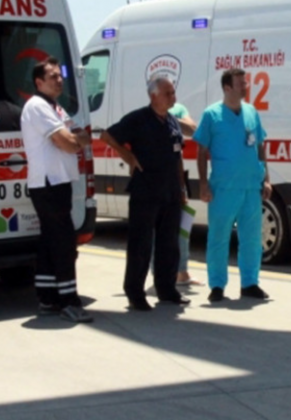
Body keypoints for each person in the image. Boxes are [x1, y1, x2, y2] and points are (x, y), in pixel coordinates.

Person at [101, 76, 190, 311]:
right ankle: (135, 293)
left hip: (170, 192)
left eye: (173, 92)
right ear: (153, 96)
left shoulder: (172, 121)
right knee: (141, 245)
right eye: (168, 93)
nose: (173, 97)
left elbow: (178, 156)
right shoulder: (138, 119)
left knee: (169, 244)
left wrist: (182, 188)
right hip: (146, 191)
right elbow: (107, 136)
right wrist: (128, 155)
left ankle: (167, 289)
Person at [20, 56, 93, 323]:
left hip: (58, 182)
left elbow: (81, 135)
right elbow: (70, 143)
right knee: (63, 243)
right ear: (39, 82)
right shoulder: (38, 106)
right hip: (48, 183)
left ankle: (48, 297)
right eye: (53, 77)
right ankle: (68, 301)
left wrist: (76, 138)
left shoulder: (55, 107)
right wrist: (75, 139)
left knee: (51, 240)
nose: (60, 80)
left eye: (60, 76)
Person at [193, 68, 272, 303]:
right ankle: (217, 285)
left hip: (250, 187)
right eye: (241, 84)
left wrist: (266, 179)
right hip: (223, 188)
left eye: (245, 83)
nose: (246, 87)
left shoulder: (251, 112)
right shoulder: (212, 115)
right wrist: (203, 184)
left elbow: (260, 147)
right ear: (227, 87)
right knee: (219, 238)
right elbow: (201, 151)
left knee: (252, 239)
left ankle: (250, 283)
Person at [167, 101, 203, 287]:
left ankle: (182, 272)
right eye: (168, 93)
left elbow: (193, 129)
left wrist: (172, 119)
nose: (172, 96)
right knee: (159, 232)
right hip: (157, 180)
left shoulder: (179, 109)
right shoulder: (147, 114)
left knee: (182, 229)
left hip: (177, 176)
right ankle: (162, 275)